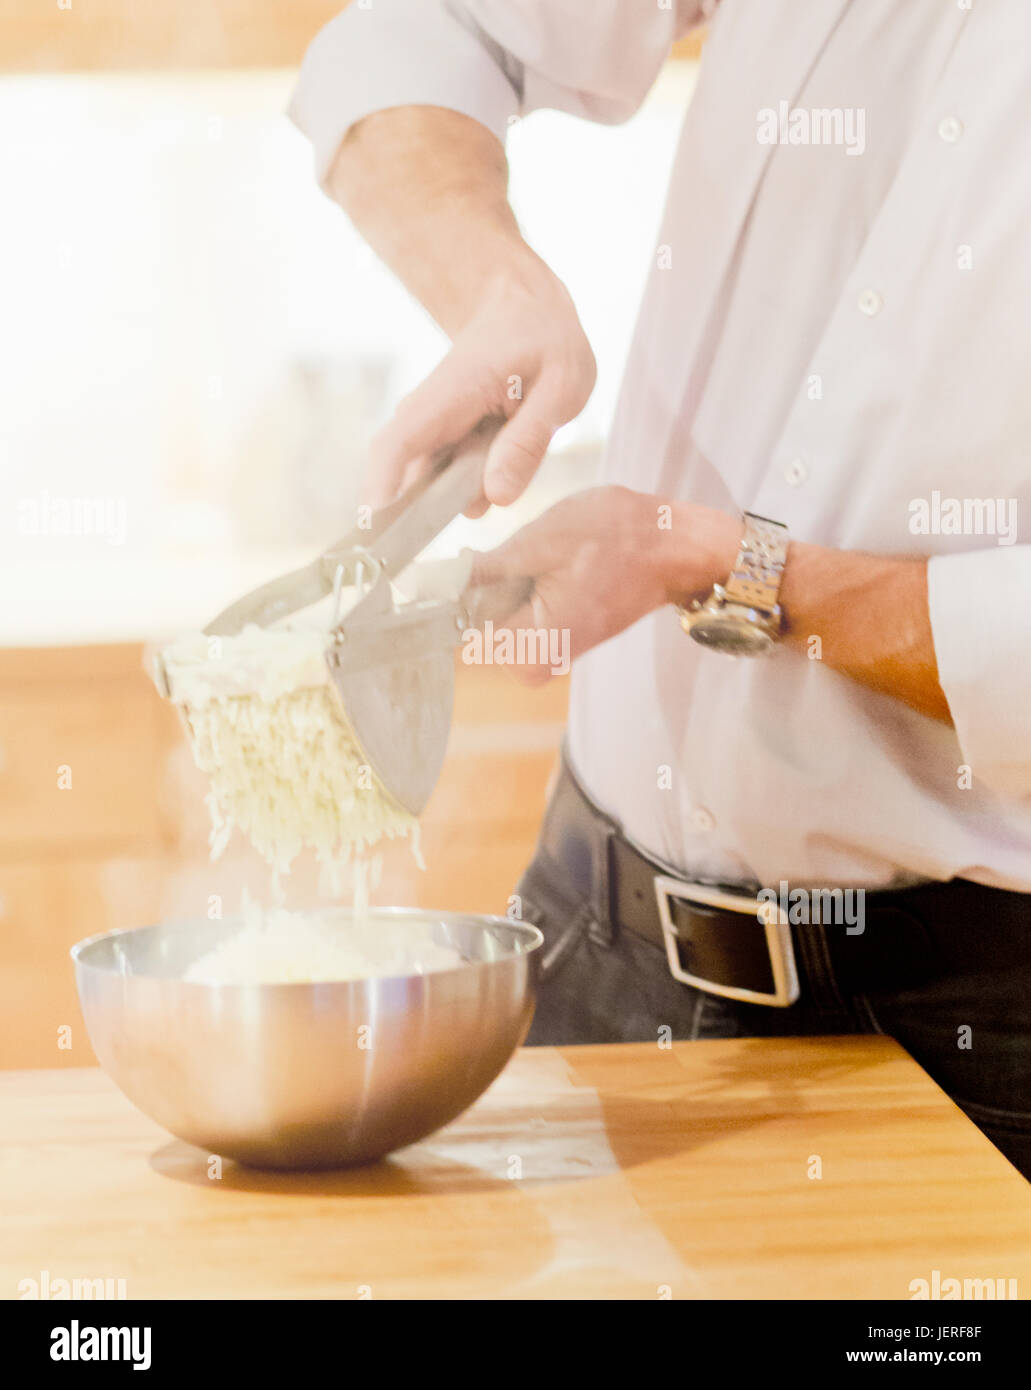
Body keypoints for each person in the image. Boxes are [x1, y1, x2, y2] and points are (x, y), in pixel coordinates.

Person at [290, 1, 1031, 1177]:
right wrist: (495, 286)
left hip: (975, 1023)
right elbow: (425, 31)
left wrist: (712, 559)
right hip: (594, 930)